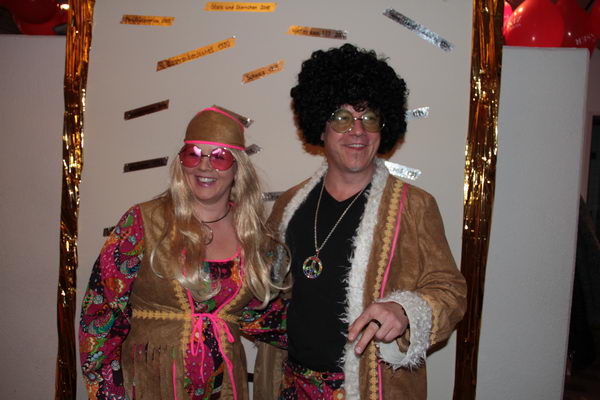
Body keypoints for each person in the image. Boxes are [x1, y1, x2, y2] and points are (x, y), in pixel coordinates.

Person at [253, 44, 468, 399]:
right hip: (292, 386)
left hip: (374, 389)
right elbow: (266, 286)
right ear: (320, 127)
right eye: (342, 118)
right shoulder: (289, 205)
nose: (358, 131)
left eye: (369, 118)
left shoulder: (415, 206)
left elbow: (451, 290)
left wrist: (405, 310)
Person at [79, 106, 284, 400]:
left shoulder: (252, 237)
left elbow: (265, 318)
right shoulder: (143, 222)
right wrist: (108, 394)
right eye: (194, 154)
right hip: (151, 384)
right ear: (181, 162)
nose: (204, 166)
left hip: (226, 388)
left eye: (219, 157)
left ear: (238, 168)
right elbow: (99, 316)